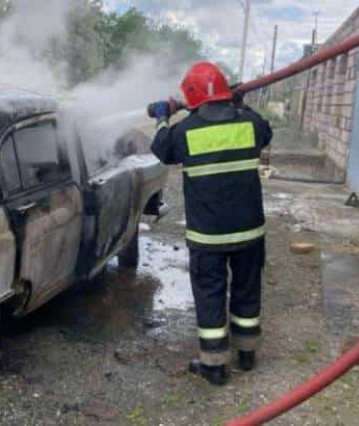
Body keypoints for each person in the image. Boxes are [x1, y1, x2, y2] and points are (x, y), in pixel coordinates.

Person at [150, 62, 273, 386]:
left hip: (208, 237)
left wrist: (162, 115)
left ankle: (214, 367)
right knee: (247, 289)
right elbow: (267, 131)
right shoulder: (249, 124)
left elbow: (161, 148)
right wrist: (241, 104)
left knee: (210, 295)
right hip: (249, 232)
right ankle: (246, 354)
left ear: (191, 98)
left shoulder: (184, 131)